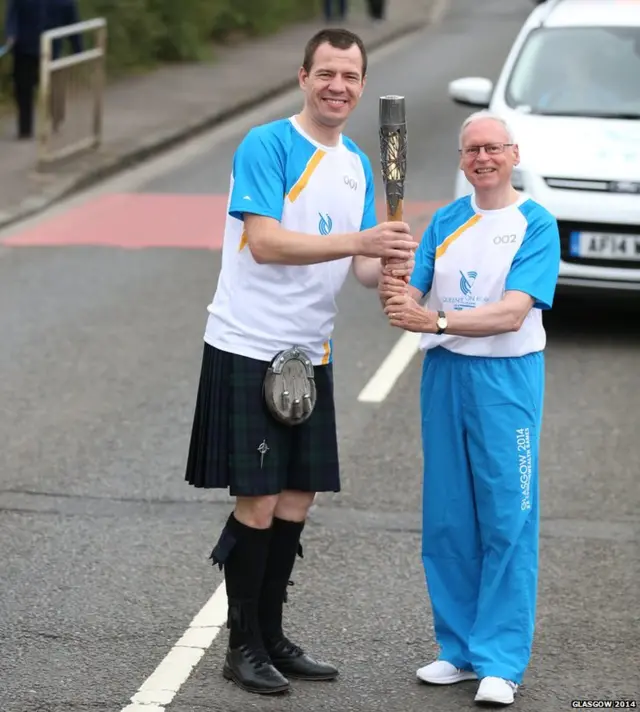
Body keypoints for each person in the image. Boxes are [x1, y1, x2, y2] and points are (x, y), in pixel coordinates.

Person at [184, 28, 416, 696]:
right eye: (326, 74)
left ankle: (274, 635)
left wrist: (393, 261)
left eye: (350, 76)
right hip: (249, 343)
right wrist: (358, 240)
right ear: (303, 76)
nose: (338, 86)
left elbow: (365, 268)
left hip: (310, 352)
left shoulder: (357, 166)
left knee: (296, 499)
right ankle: (242, 645)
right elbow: (263, 242)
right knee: (255, 501)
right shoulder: (269, 145)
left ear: (363, 86)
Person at [379, 111, 560, 707]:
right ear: (461, 160)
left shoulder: (536, 223)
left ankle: (501, 662)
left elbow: (512, 312)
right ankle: (458, 650)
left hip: (505, 377)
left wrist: (433, 319)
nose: (482, 158)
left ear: (512, 154)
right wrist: (398, 284)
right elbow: (416, 290)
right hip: (445, 375)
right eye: (471, 150)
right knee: (450, 517)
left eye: (493, 148)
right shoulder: (447, 221)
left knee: (508, 516)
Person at [4, 0, 83, 140]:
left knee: (52, 88)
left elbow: (72, 20)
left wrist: (78, 49)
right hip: (25, 48)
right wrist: (11, 34)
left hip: (51, 49)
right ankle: (25, 129)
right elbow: (12, 13)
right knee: (23, 89)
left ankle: (55, 120)